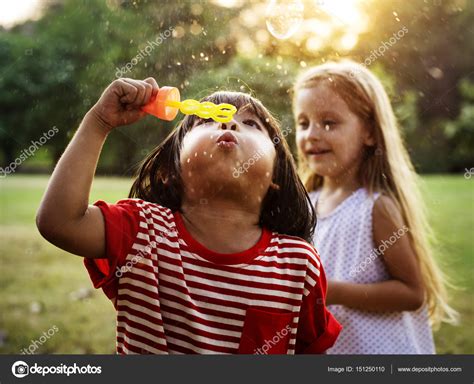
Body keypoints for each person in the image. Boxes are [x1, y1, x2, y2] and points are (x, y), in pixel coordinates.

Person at [36, 77, 341, 354]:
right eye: (207, 120)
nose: (228, 124)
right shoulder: (143, 231)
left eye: (251, 124)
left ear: (275, 173)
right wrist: (99, 121)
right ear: (171, 170)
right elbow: (60, 221)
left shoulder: (297, 263)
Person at [293, 61, 458, 354]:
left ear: (369, 132)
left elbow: (411, 293)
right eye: (303, 123)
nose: (312, 134)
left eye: (329, 123)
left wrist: (335, 292)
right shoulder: (308, 202)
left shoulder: (374, 208)